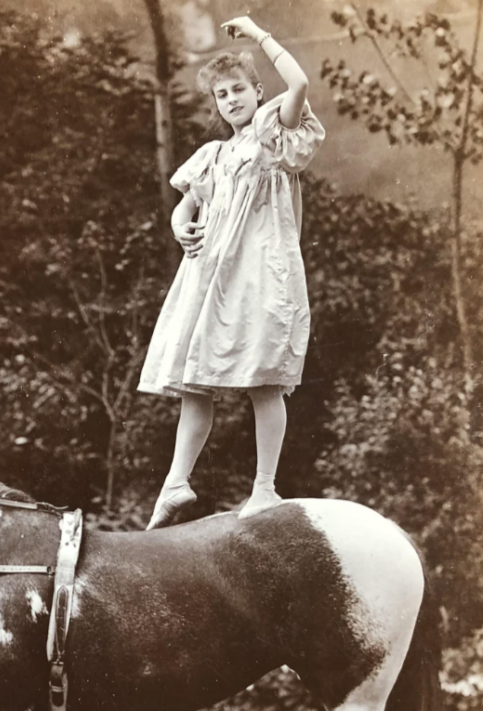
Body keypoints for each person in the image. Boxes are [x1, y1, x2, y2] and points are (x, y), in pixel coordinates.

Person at [139, 16, 325, 529]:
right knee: (194, 381)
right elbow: (187, 204)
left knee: (264, 379)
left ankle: (264, 488)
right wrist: (181, 225)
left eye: (238, 88)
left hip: (260, 271)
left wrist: (258, 34)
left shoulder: (273, 133)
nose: (231, 100)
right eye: (221, 94)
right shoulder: (214, 155)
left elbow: (300, 83)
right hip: (211, 274)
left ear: (257, 90)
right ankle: (177, 481)